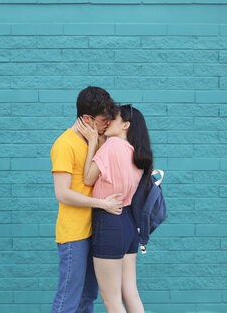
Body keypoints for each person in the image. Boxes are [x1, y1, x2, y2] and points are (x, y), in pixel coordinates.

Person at [50, 86, 124, 313]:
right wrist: (103, 204)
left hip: (95, 231)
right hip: (74, 234)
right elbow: (62, 193)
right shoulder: (64, 144)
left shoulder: (97, 141)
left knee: (88, 297)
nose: (107, 124)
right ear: (87, 119)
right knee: (68, 299)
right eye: (103, 120)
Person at [76, 104, 153, 313]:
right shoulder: (136, 153)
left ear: (125, 125)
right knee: (131, 293)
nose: (108, 121)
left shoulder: (112, 146)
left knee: (112, 301)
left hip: (109, 221)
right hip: (128, 223)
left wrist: (93, 142)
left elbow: (88, 178)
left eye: (114, 118)